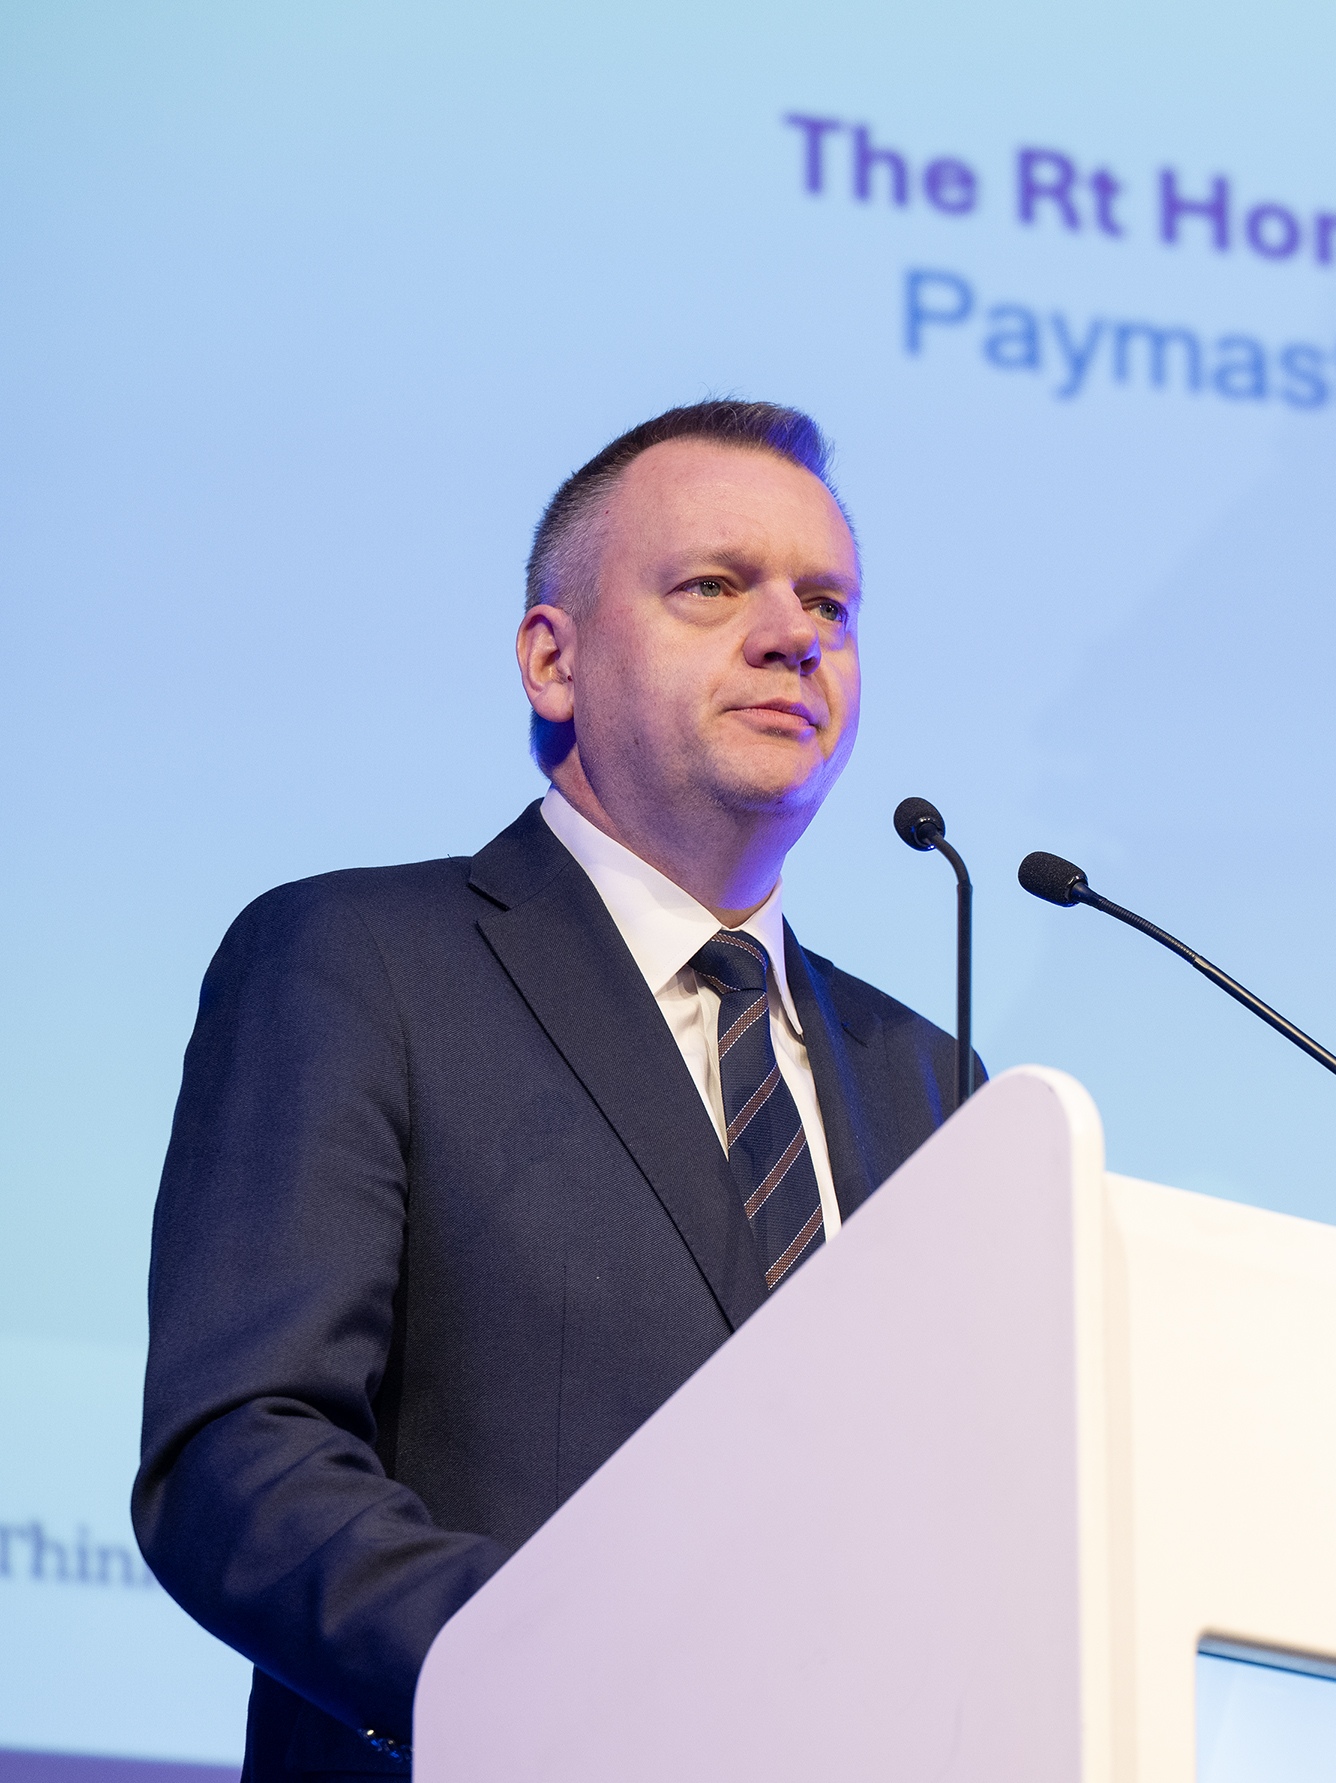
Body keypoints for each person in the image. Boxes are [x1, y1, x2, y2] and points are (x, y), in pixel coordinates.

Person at [134, 401, 971, 1780]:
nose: (792, 634)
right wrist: (575, 1682)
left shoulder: (934, 1084)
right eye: (714, 586)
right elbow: (243, 1465)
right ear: (552, 658)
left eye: (829, 600)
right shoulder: (359, 965)